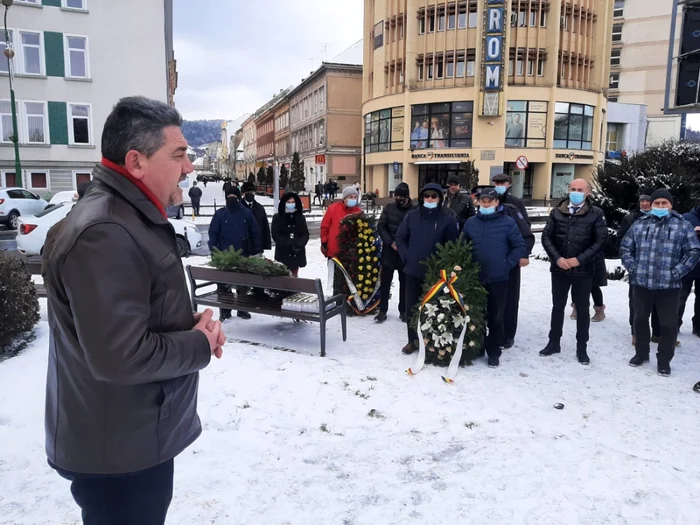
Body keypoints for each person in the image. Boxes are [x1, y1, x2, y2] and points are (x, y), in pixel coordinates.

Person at [43, 96, 225, 525]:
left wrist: (188, 327)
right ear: (136, 162)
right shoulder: (105, 231)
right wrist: (198, 344)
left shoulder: (127, 217)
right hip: (119, 454)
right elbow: (119, 355)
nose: (189, 167)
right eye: (178, 154)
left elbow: (128, 322)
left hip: (130, 438)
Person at [620, 189, 700, 376]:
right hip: (642, 283)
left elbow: (694, 251)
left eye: (665, 203)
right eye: (657, 203)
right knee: (639, 320)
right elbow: (625, 247)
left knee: (668, 325)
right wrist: (633, 268)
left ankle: (664, 360)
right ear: (652, 205)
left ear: (671, 205)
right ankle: (641, 353)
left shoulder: (682, 225)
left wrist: (677, 272)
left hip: (669, 287)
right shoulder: (640, 224)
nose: (661, 206)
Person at [540, 178, 607, 365]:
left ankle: (581, 348)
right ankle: (553, 342)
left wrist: (578, 259)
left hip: (583, 270)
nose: (576, 192)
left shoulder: (596, 213)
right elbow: (546, 237)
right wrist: (558, 259)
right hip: (559, 268)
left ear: (587, 192)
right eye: (573, 189)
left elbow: (600, 241)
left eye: (580, 189)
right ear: (568, 190)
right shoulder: (557, 212)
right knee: (557, 307)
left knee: (583, 310)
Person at [463, 188, 527, 367]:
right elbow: (462, 245)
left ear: (497, 203)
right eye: (483, 201)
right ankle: (476, 346)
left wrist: (506, 264)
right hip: (475, 278)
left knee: (496, 315)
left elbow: (519, 246)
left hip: (498, 278)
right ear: (478, 202)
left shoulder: (508, 223)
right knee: (476, 314)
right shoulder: (470, 223)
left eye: (489, 201)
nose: (486, 204)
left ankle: (493, 351)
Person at [395, 183, 459, 355]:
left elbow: (453, 245)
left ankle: (431, 341)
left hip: (435, 274)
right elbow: (400, 238)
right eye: (426, 196)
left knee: (434, 308)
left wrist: (443, 265)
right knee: (412, 308)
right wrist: (406, 256)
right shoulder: (411, 216)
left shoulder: (447, 219)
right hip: (412, 270)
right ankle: (412, 341)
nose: (429, 199)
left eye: (433, 196)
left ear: (439, 199)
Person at [490, 174, 532, 348]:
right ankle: (493, 331)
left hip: (511, 260)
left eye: (503, 183)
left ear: (508, 184)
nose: (500, 185)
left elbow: (525, 230)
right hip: (491, 260)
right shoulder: (488, 200)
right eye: (497, 183)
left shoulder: (515, 204)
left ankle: (508, 333)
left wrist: (524, 254)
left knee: (510, 298)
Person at [208, 185, 262, 320]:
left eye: (234, 196)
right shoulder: (220, 214)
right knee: (224, 286)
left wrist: (256, 251)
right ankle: (225, 310)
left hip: (243, 255)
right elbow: (213, 234)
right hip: (224, 256)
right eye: (229, 196)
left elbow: (255, 232)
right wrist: (215, 252)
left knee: (242, 285)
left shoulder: (246, 213)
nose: (231, 198)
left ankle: (242, 309)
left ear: (238, 198)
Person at [617, 194, 658, 344]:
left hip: (659, 269)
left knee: (659, 302)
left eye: (648, 201)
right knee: (636, 301)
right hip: (637, 267)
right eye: (642, 200)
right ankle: (636, 333)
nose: (645, 203)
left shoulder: (664, 218)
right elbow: (621, 240)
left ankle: (658, 333)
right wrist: (629, 262)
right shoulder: (630, 218)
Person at [375, 182, 415, 324]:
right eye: (396, 196)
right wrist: (390, 242)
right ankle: (382, 310)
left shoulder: (414, 209)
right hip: (389, 251)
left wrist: (403, 245)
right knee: (385, 282)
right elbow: (381, 226)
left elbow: (416, 230)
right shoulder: (389, 207)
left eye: (401, 197)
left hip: (405, 253)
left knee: (404, 283)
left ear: (407, 197)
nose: (398, 199)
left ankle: (403, 310)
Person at [271, 192, 309, 276]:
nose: (291, 204)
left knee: (294, 276)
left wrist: (299, 244)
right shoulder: (277, 217)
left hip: (297, 253)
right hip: (282, 253)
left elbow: (305, 234)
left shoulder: (300, 217)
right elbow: (275, 234)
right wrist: (287, 243)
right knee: (282, 278)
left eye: (292, 202)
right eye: (288, 202)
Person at [321, 186, 362, 260]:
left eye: (355, 197)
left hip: (352, 251)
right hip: (334, 249)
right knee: (333, 271)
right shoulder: (333, 209)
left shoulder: (358, 212)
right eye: (350, 197)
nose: (353, 199)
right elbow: (324, 227)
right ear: (345, 198)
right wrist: (324, 242)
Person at [679, 204, 700, 337]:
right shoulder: (686, 218)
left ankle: (698, 327)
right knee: (680, 297)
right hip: (686, 265)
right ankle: (674, 325)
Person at [241, 181, 272, 252]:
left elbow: (265, 227)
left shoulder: (260, 208)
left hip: (257, 246)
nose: (250, 194)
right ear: (243, 194)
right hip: (242, 248)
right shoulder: (238, 208)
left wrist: (266, 244)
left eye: (252, 192)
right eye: (247, 193)